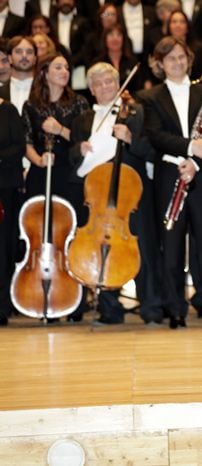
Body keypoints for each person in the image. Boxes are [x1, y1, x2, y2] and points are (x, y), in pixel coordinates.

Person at [140, 36, 202, 329]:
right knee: (172, 244)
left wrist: (195, 162)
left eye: (181, 57)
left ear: (188, 59)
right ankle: (175, 308)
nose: (177, 63)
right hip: (169, 176)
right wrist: (191, 149)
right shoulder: (150, 98)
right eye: (170, 59)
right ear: (159, 64)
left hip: (201, 174)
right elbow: (155, 135)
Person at [70, 62, 163, 324]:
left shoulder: (136, 112)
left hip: (131, 192)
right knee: (99, 246)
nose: (104, 87)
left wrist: (131, 138)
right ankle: (110, 310)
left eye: (109, 81)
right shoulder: (82, 121)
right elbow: (71, 161)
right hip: (98, 196)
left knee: (143, 247)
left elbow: (151, 151)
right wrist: (79, 150)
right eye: (97, 83)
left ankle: (152, 308)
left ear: (118, 82)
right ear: (91, 89)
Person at [21, 52, 90, 321]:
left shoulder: (79, 103)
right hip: (43, 172)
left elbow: (85, 140)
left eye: (66, 67)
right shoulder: (31, 105)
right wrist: (38, 159)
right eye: (58, 67)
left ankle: (77, 301)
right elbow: (27, 140)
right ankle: (42, 296)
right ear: (45, 72)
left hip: (70, 173)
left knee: (70, 236)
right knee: (42, 236)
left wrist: (60, 129)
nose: (64, 71)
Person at [0, 92, 25, 326]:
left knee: (3, 248)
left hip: (4, 189)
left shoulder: (8, 111)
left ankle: (2, 307)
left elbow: (18, 147)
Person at [0, 36, 37, 113]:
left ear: (35, 59)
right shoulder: (1, 92)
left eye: (29, 52)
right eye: (18, 51)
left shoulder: (46, 90)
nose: (24, 55)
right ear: (10, 58)